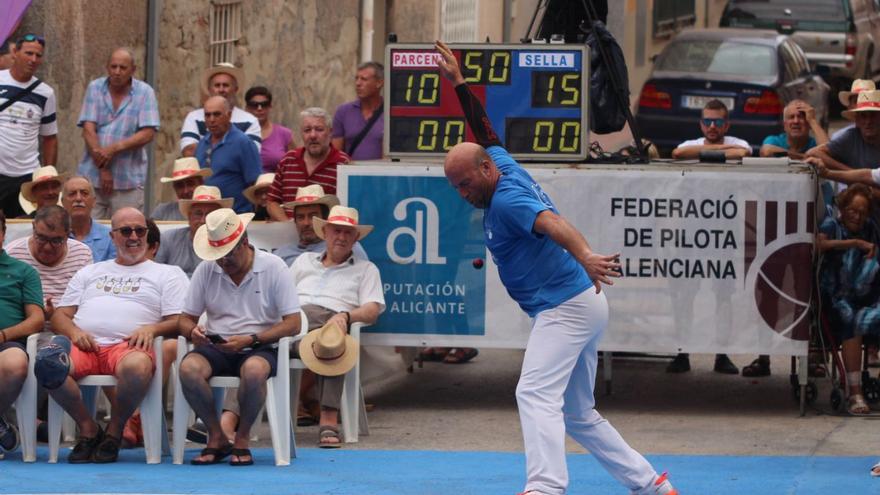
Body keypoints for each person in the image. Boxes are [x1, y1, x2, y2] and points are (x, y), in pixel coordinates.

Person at [434, 40, 678, 495]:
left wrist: (585, 255)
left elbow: (552, 223)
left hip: (564, 306)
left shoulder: (506, 199)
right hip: (580, 303)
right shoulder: (499, 163)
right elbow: (483, 129)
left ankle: (545, 488)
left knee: (533, 393)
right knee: (578, 414)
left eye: (465, 184)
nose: (462, 193)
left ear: (485, 172)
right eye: (455, 187)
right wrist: (459, 83)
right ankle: (651, 485)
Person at [39, 207, 188, 463]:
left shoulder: (168, 273)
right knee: (47, 365)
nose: (134, 236)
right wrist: (74, 332)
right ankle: (88, 428)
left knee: (138, 366)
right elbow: (60, 315)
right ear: (112, 237)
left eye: (140, 230)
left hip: (127, 348)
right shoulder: (90, 272)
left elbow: (179, 321)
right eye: (126, 230)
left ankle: (115, 431)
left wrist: (152, 328)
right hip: (85, 346)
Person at [177, 208, 300, 465]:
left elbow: (293, 324)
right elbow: (185, 318)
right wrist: (193, 331)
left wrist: (252, 339)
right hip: (217, 344)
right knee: (188, 368)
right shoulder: (206, 270)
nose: (224, 261)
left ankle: (242, 437)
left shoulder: (274, 267)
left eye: (229, 254)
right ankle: (216, 435)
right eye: (218, 256)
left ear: (245, 241)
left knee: (254, 370)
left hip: (261, 343)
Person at [289, 205, 384, 447]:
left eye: (347, 233)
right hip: (292, 321)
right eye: (336, 231)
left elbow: (372, 310)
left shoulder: (365, 269)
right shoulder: (303, 261)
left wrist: (346, 316)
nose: (341, 237)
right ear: (325, 233)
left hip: (331, 322)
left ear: (356, 238)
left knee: (332, 344)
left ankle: (328, 419)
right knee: (251, 344)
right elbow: (281, 295)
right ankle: (228, 419)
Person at [76, 48, 159, 218]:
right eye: (113, 67)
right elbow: (88, 129)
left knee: (127, 230)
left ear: (133, 70)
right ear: (107, 67)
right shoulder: (95, 88)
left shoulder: (145, 92)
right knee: (85, 228)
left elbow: (148, 133)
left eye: (123, 68)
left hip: (128, 179)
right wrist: (103, 167)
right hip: (92, 176)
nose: (117, 72)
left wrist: (113, 149)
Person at [0, 210, 45, 458]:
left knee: (16, 363)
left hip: (5, 345)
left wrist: (4, 335)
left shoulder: (23, 272)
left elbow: (37, 319)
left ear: (3, 234)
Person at [0, 34, 58, 218]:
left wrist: (48, 175)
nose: (33, 59)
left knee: (23, 226)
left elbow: (50, 137)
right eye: (29, 53)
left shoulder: (46, 93)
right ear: (15, 52)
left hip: (26, 175)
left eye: (38, 55)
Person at [266, 108, 350, 221]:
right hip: (287, 234)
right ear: (301, 133)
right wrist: (288, 225)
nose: (313, 135)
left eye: (319, 129)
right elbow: (272, 201)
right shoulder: (288, 160)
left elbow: (346, 209)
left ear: (330, 132)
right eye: (307, 130)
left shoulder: (343, 164)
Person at [195, 96, 261, 213]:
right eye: (207, 115)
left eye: (217, 114)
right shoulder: (202, 143)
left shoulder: (243, 143)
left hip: (236, 216)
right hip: (206, 216)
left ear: (229, 115)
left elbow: (255, 184)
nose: (211, 119)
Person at [180, 63, 260, 157]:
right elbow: (188, 152)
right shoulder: (194, 117)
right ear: (209, 89)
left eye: (226, 85)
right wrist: (231, 150)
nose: (221, 90)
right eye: (217, 85)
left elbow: (250, 154)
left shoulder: (250, 121)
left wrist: (206, 150)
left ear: (235, 89)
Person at [155, 185, 231, 277]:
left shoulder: (229, 243)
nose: (203, 220)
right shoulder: (169, 238)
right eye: (198, 214)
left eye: (210, 214)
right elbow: (155, 273)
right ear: (189, 216)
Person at [808, 89, 880, 171]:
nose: (868, 121)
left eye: (873, 115)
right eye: (863, 116)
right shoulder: (851, 137)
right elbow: (813, 153)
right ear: (857, 120)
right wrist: (852, 174)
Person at [331, 62, 384, 160]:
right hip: (351, 173)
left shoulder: (391, 113)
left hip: (381, 173)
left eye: (364, 79)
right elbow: (336, 154)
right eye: (356, 78)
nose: (358, 83)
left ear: (379, 83)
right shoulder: (343, 112)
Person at [670, 99, 751, 160]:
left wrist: (696, 152)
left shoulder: (739, 143)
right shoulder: (690, 144)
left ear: (726, 126)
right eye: (707, 121)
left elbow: (742, 153)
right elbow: (677, 153)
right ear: (701, 125)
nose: (712, 126)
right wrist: (721, 148)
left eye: (718, 122)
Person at [62, 176, 116, 262]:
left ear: (94, 201)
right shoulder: (55, 236)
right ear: (63, 202)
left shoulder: (110, 236)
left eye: (84, 193)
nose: (78, 198)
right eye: (72, 194)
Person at [243, 86, 293, 173]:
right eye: (254, 105)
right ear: (247, 108)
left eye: (264, 104)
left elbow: (295, 164)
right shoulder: (238, 134)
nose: (259, 108)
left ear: (270, 106)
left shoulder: (284, 134)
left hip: (275, 184)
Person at [758, 100, 828, 159]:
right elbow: (766, 151)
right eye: (791, 117)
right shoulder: (775, 141)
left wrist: (812, 121)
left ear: (809, 124)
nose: (796, 121)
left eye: (800, 117)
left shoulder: (814, 143)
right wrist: (804, 157)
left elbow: (829, 152)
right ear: (785, 125)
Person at [151, 157, 212, 221]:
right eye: (180, 186)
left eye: (190, 184)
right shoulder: (162, 211)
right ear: (174, 188)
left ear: (201, 183)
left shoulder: (215, 211)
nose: (186, 191)